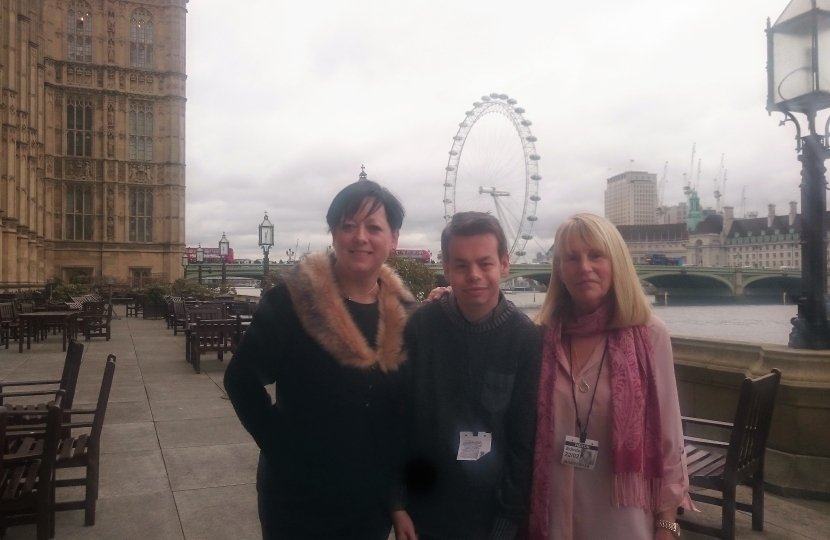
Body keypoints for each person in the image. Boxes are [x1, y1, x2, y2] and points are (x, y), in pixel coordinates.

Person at [224, 179, 417, 540]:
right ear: (333, 233)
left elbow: (402, 414)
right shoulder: (292, 302)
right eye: (348, 225)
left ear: (393, 238)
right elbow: (241, 380)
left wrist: (396, 496)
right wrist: (283, 449)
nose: (360, 237)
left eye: (374, 227)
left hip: (367, 503)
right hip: (298, 500)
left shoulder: (407, 316)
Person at [527, 213, 694, 540]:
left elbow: (669, 440)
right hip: (552, 519)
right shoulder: (539, 338)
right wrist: (447, 298)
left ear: (616, 262)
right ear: (559, 270)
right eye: (572, 258)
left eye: (596, 255)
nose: (584, 267)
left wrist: (667, 524)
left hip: (620, 519)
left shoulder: (650, 335)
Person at [393, 211, 542, 540]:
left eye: (485, 263)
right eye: (461, 265)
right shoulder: (421, 328)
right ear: (446, 268)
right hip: (424, 514)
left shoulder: (525, 339)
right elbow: (400, 418)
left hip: (491, 519)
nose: (474, 275)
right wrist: (398, 501)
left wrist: (507, 521)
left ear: (504, 264)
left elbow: (522, 442)